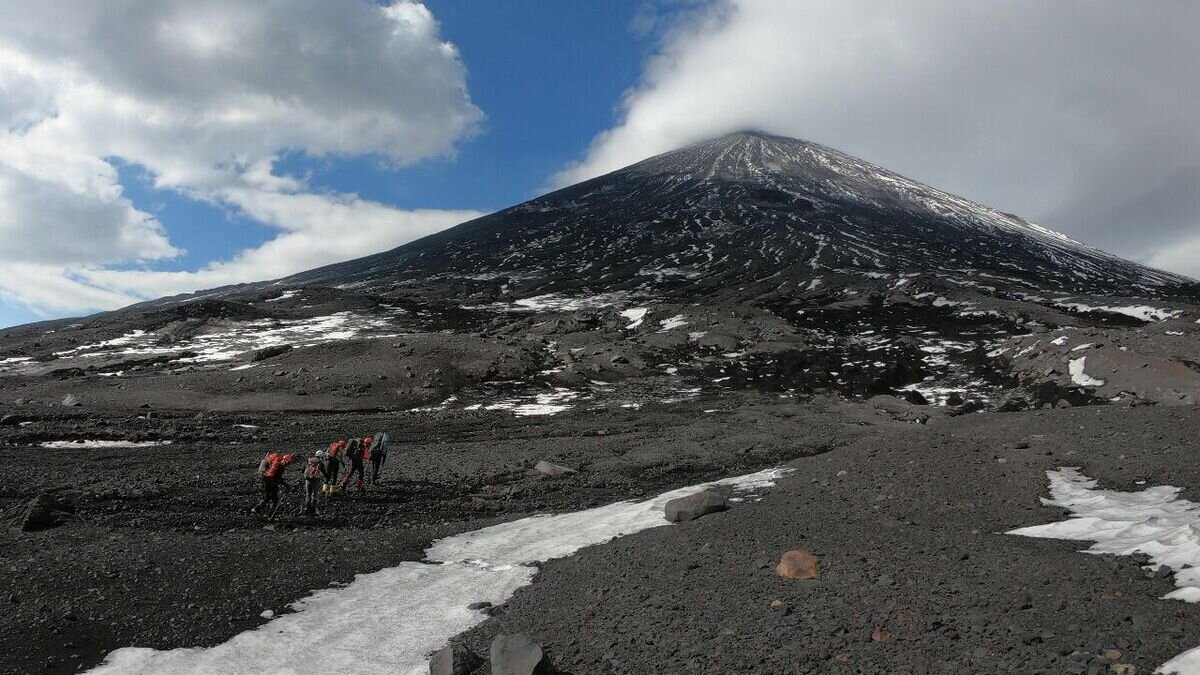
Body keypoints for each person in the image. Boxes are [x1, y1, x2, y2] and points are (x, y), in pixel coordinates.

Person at [252, 451, 295, 519]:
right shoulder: (279, 466)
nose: (287, 464)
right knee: (273, 500)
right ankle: (269, 515)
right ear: (285, 460)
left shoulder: (275, 464)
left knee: (267, 498)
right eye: (288, 462)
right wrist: (286, 485)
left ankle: (256, 510)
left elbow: (274, 476)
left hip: (267, 481)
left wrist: (285, 485)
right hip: (271, 483)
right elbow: (279, 478)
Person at [303, 453, 328, 517]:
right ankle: (313, 510)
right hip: (315, 480)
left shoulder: (309, 460)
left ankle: (306, 509)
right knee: (315, 495)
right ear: (321, 457)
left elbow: (303, 469)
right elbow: (324, 472)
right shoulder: (320, 463)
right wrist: (326, 477)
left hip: (307, 480)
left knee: (308, 494)